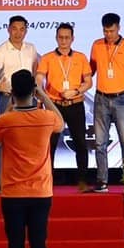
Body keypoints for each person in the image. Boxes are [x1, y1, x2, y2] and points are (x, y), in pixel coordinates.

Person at [0, 69, 63, 248]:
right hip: (41, 192)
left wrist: (9, 107)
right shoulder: (46, 117)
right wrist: (44, 95)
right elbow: (61, 122)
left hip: (13, 193)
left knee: (15, 244)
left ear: (12, 93)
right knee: (38, 243)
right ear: (33, 91)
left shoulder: (6, 120)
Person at [87, 13, 124, 191]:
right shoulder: (97, 45)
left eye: (112, 31)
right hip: (101, 98)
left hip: (122, 98)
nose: (108, 34)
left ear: (119, 28)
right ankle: (102, 180)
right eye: (105, 31)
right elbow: (90, 70)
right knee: (100, 143)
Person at [38, 24, 93, 189]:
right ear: (56, 38)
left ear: (72, 39)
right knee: (50, 144)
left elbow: (88, 82)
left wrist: (76, 91)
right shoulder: (47, 58)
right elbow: (39, 79)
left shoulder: (80, 58)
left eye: (67, 37)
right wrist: (42, 95)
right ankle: (48, 180)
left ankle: (82, 180)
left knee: (80, 143)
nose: (63, 41)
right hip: (54, 106)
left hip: (75, 104)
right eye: (60, 37)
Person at [0, 14, 42, 102]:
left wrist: (38, 93)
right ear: (8, 29)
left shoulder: (31, 48)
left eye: (22, 29)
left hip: (29, 96)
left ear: (26, 31)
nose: (18, 33)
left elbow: (35, 71)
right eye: (14, 29)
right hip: (9, 96)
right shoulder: (1, 50)